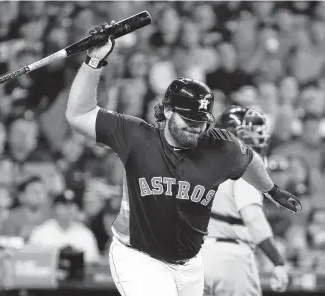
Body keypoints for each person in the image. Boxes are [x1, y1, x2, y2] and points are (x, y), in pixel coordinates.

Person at [65, 21, 302, 296]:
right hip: (139, 257)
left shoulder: (221, 146)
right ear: (167, 110)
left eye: (201, 120)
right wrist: (94, 61)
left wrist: (271, 190)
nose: (196, 127)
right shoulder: (136, 136)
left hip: (190, 264)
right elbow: (79, 115)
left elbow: (249, 160)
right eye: (188, 119)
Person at [202, 106, 289, 296]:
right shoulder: (243, 164)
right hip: (231, 258)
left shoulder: (199, 161)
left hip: (195, 256)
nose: (257, 141)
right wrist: (277, 261)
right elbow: (253, 219)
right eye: (250, 135)